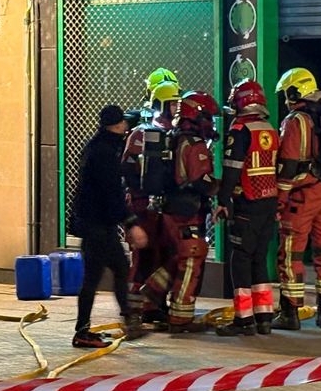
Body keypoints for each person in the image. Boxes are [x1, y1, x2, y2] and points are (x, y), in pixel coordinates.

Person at [69, 104, 148, 350]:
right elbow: (110, 194)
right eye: (123, 122)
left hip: (97, 223)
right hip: (97, 224)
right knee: (94, 277)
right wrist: (132, 223)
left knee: (120, 268)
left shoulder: (99, 146)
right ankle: (83, 331)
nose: (126, 126)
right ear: (117, 125)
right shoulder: (104, 152)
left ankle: (127, 319)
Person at [142, 90, 219, 333]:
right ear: (197, 115)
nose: (211, 123)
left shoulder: (173, 137)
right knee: (191, 260)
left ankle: (150, 295)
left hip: (170, 210)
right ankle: (181, 317)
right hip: (187, 213)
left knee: (175, 259)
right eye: (208, 117)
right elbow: (202, 182)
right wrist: (224, 186)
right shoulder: (195, 145)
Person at [274, 68, 321, 330]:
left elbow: (289, 163)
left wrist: (279, 199)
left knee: (291, 254)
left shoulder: (296, 121)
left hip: (303, 195)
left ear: (294, 92)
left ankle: (290, 313)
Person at [214, 80, 279, 337]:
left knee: (240, 258)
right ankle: (264, 317)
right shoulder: (269, 128)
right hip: (268, 201)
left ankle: (243, 320)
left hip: (247, 203)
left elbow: (232, 168)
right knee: (259, 259)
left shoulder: (240, 129)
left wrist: (223, 200)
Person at [121, 79, 181, 327]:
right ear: (160, 104)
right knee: (142, 259)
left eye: (178, 103)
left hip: (162, 208)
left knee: (167, 254)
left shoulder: (174, 134)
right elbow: (127, 167)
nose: (176, 109)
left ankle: (153, 304)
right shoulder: (141, 133)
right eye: (172, 104)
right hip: (141, 206)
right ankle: (133, 310)